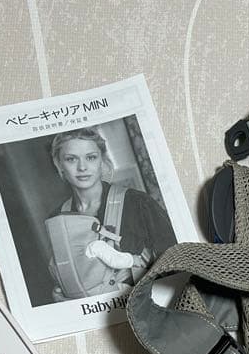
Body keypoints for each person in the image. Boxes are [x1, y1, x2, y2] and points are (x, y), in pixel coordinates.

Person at [46, 127, 176, 301]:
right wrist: (61, 296)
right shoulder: (57, 219)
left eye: (91, 157)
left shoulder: (138, 203)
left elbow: (176, 266)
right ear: (59, 165)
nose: (82, 167)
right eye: (71, 159)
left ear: (102, 160)